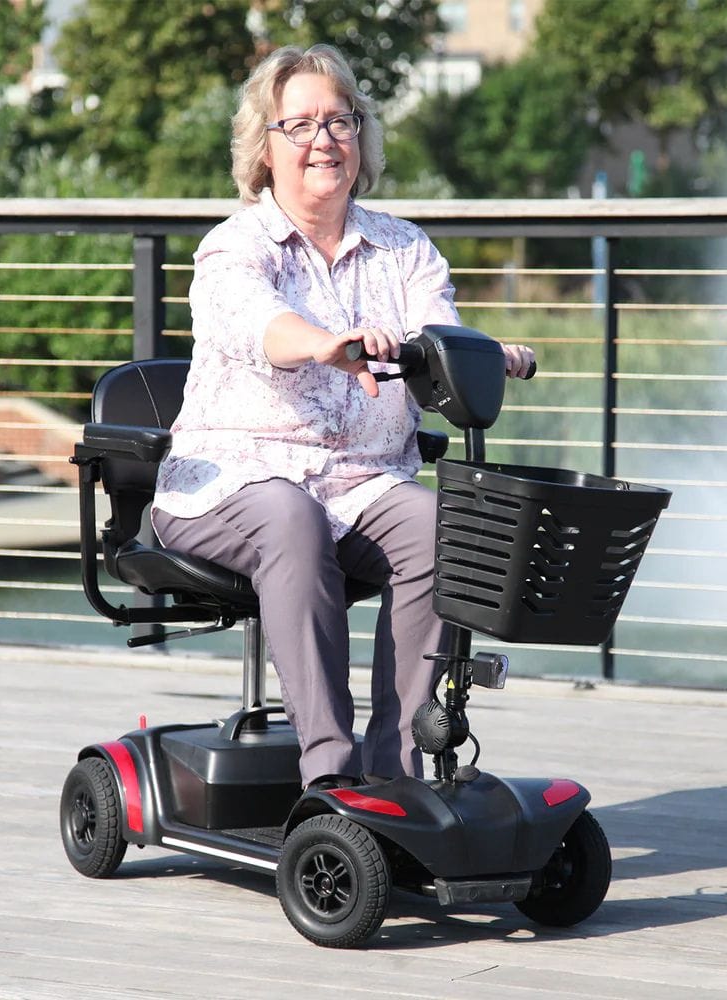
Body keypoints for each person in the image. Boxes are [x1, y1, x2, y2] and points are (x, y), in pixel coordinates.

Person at [151, 43, 534, 791]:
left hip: (362, 483)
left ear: (362, 137)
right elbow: (258, 326)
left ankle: (395, 774)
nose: (324, 139)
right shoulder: (234, 248)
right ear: (266, 149)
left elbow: (437, 337)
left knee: (437, 527)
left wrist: (478, 355)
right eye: (300, 125)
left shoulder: (404, 249)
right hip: (232, 481)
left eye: (340, 121)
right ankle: (330, 779)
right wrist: (326, 345)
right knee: (289, 518)